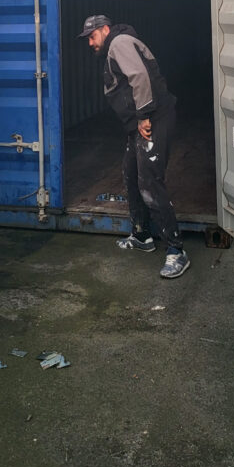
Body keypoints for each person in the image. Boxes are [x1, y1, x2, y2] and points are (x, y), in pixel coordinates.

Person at [78, 14, 190, 279]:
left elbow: (139, 77)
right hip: (139, 123)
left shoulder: (119, 43)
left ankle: (176, 250)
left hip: (154, 118)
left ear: (104, 30)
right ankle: (142, 235)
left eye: (92, 36)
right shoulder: (115, 46)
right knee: (131, 175)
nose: (90, 43)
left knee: (150, 182)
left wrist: (143, 117)